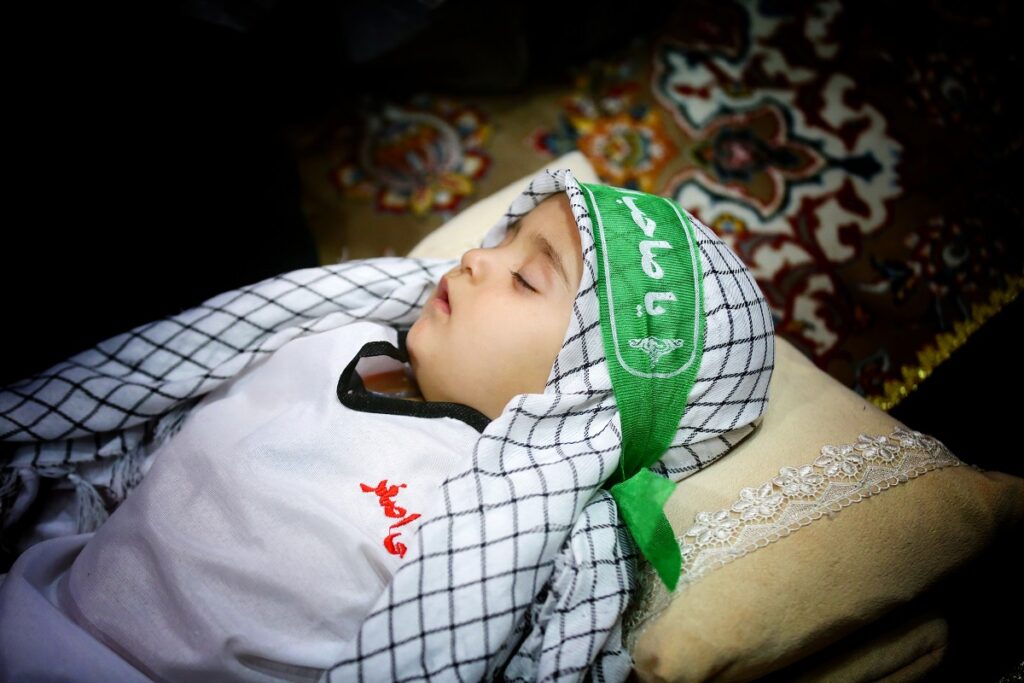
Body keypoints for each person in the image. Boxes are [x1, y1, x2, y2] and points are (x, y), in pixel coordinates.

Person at [0, 168, 775, 682]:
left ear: (586, 394)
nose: (475, 257)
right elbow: (149, 430)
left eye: (526, 277)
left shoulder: (505, 538)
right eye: (502, 238)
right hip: (38, 607)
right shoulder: (336, 336)